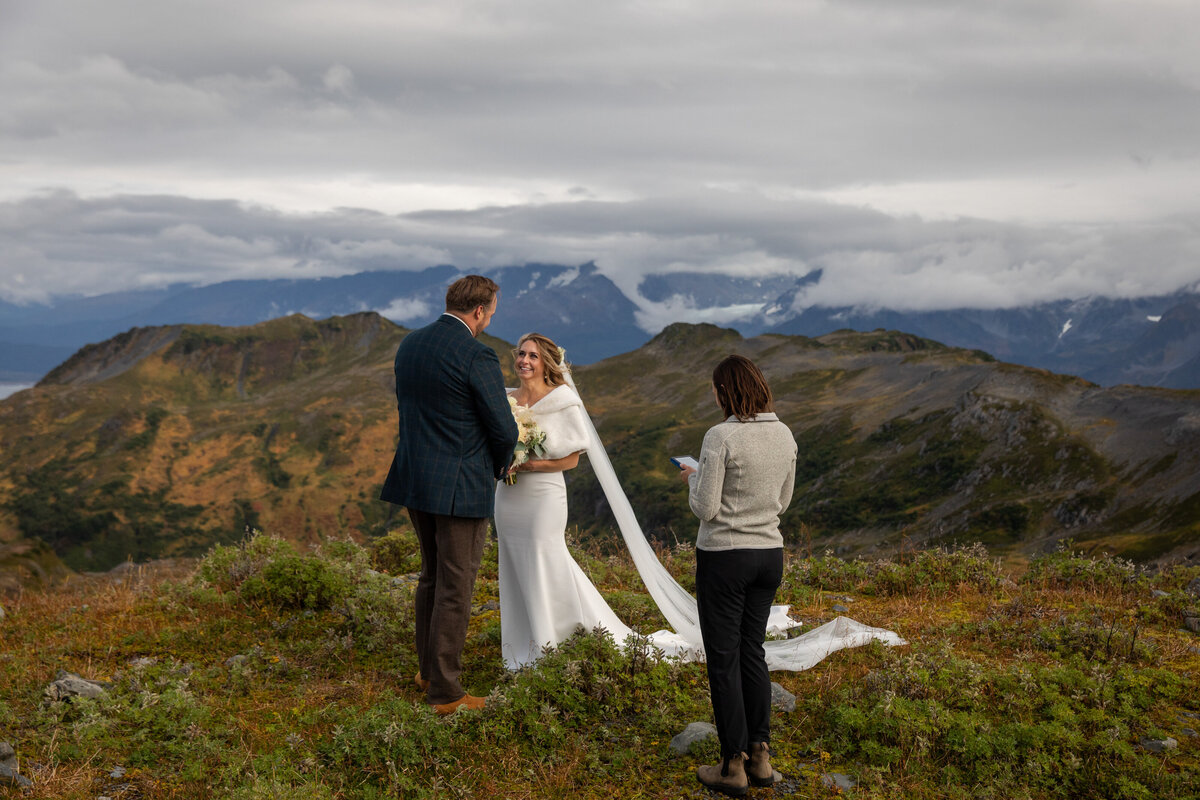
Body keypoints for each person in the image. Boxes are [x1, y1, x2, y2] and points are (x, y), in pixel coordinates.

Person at [494, 333, 690, 667]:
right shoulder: (505, 398)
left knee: (547, 560)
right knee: (513, 564)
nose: (524, 361)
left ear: (547, 363)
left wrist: (529, 464)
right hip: (508, 496)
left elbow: (571, 460)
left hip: (542, 497)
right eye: (521, 354)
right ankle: (521, 645)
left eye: (533, 356)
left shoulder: (562, 400)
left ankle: (550, 642)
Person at [379, 275, 519, 715]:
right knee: (456, 586)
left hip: (416, 479)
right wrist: (501, 465)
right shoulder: (477, 353)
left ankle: (428, 670)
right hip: (459, 486)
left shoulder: (411, 344)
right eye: (492, 311)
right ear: (479, 311)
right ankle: (446, 693)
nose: (490, 318)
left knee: (431, 577)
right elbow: (502, 427)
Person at [677, 354, 796, 795]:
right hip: (769, 555)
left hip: (725, 557)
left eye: (714, 388)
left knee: (723, 658)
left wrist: (695, 477)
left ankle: (732, 766)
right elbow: (782, 502)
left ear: (726, 391)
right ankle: (761, 757)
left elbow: (705, 508)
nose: (713, 395)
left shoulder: (720, 435)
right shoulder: (784, 434)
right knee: (752, 652)